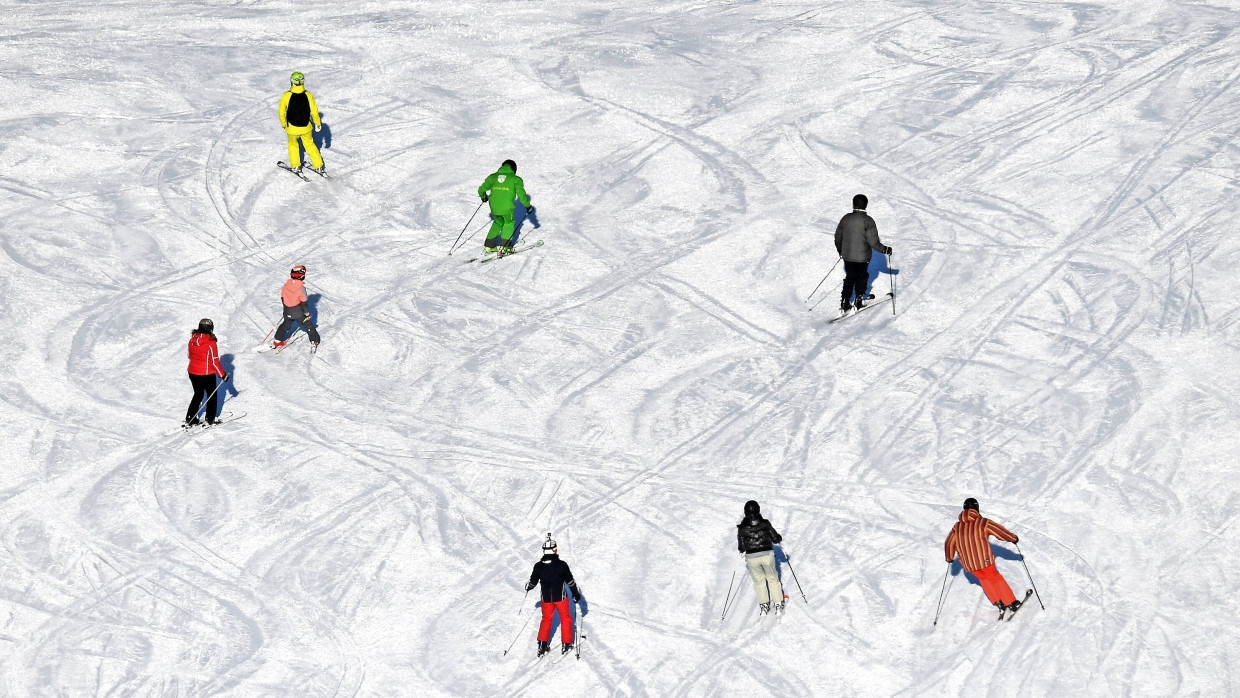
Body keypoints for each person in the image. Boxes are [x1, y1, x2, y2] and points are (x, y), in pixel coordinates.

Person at [944, 498, 1023, 613]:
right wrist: (1013, 538)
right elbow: (999, 531)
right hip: (984, 560)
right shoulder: (983, 522)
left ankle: (998, 602)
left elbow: (949, 543)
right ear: (977, 509)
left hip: (969, 564)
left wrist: (949, 558)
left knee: (983, 578)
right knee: (995, 577)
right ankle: (1011, 602)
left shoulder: (957, 527)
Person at [526, 534, 583, 656]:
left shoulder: (538, 566)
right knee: (566, 618)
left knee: (546, 619)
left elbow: (533, 582)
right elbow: (570, 581)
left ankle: (542, 645)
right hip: (560, 598)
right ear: (554, 550)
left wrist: (528, 587)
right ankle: (566, 644)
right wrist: (575, 594)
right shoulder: (561, 565)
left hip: (546, 599)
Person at [834, 194, 891, 314]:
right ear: (865, 205)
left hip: (847, 256)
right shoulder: (868, 221)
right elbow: (873, 242)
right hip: (862, 257)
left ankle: (844, 302)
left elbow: (838, 237)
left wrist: (841, 251)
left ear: (853, 204)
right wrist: (885, 250)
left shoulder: (846, 218)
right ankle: (859, 300)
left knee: (850, 277)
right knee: (862, 276)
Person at [477, 159, 533, 256]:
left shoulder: (493, 177)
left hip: (494, 208)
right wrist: (528, 206)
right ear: (514, 169)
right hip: (507, 209)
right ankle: (504, 247)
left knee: (498, 222)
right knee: (509, 223)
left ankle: (489, 246)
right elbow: (522, 196)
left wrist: (483, 197)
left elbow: (481, 189)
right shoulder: (515, 179)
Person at [737, 500, 784, 614]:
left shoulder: (742, 527)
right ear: (758, 510)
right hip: (767, 555)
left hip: (752, 558)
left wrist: (745, 549)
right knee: (773, 579)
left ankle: (764, 605)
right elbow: (775, 538)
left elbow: (741, 547)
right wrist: (778, 538)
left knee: (759, 582)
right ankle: (778, 603)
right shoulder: (765, 523)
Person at [279, 71, 325, 175]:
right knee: (309, 144)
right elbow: (314, 111)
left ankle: (296, 166)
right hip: (306, 127)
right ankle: (318, 166)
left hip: (291, 127)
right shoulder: (308, 95)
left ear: (292, 82)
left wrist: (283, 123)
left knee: (293, 144)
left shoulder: (287, 95)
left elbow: (281, 112)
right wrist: (317, 123)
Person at [186, 318, 227, 426]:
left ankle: (190, 417)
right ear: (211, 329)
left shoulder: (192, 339)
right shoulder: (210, 342)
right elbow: (214, 361)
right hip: (206, 374)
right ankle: (210, 418)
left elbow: (190, 356)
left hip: (192, 372)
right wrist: (223, 375)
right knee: (211, 395)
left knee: (198, 394)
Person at [271, 265, 320, 350]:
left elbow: (283, 298)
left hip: (287, 310)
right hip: (298, 312)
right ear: (302, 276)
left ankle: (277, 341)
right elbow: (304, 303)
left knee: (286, 324)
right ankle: (314, 340)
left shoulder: (285, 286)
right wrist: (307, 314)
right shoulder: (301, 288)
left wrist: (287, 309)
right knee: (308, 325)